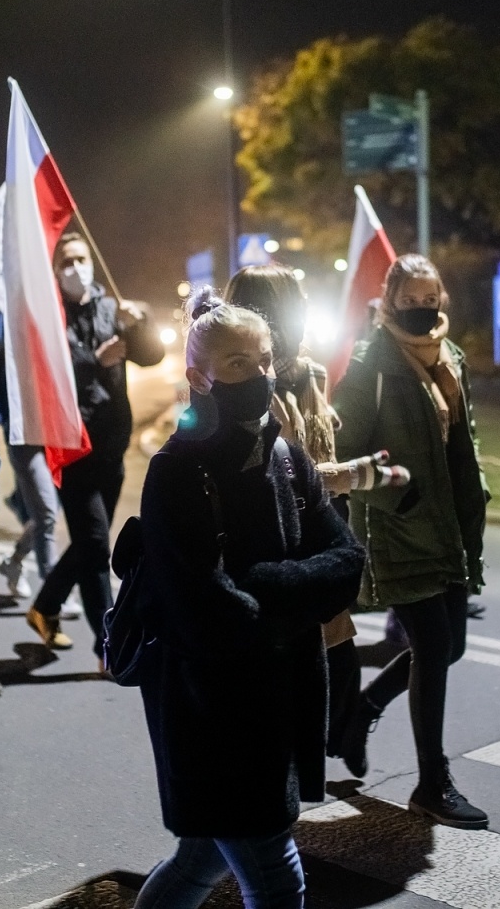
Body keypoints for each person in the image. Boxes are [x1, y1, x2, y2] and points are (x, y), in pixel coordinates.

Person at [134, 289, 364, 909]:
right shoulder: (178, 472)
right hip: (217, 719)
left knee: (199, 861)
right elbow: (208, 615)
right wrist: (294, 596)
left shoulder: (286, 456)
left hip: (279, 706)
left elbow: (348, 562)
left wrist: (262, 585)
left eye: (263, 359)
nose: (258, 374)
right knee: (277, 883)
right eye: (237, 364)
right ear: (197, 376)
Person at [224, 263, 410, 765]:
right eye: (298, 301)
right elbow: (277, 474)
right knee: (300, 682)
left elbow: (316, 446)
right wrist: (354, 474)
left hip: (324, 538)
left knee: (340, 664)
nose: (307, 310)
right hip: (277, 551)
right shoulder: (239, 384)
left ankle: (340, 737)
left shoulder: (313, 372)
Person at [330, 253, 490, 828]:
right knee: (434, 649)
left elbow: (460, 440)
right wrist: (398, 497)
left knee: (450, 648)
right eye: (411, 301)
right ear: (390, 299)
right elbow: (341, 454)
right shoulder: (373, 362)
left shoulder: (452, 356)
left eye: (431, 300)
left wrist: (477, 494)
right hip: (400, 526)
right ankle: (430, 782)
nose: (422, 311)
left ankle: (363, 707)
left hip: (449, 526)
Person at [24, 232, 163, 659]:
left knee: (90, 543)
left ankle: (46, 605)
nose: (75, 268)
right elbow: (44, 370)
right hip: (71, 446)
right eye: (66, 261)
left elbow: (151, 356)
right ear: (55, 270)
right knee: (98, 545)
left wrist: (137, 324)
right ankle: (110, 645)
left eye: (81, 258)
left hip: (112, 443)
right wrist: (93, 362)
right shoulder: (47, 316)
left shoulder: (110, 309)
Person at [0, 311, 60, 605]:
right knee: (46, 512)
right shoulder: (10, 329)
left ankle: (15, 560)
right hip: (25, 434)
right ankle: (53, 595)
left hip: (59, 434)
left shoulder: (59, 323)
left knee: (47, 510)